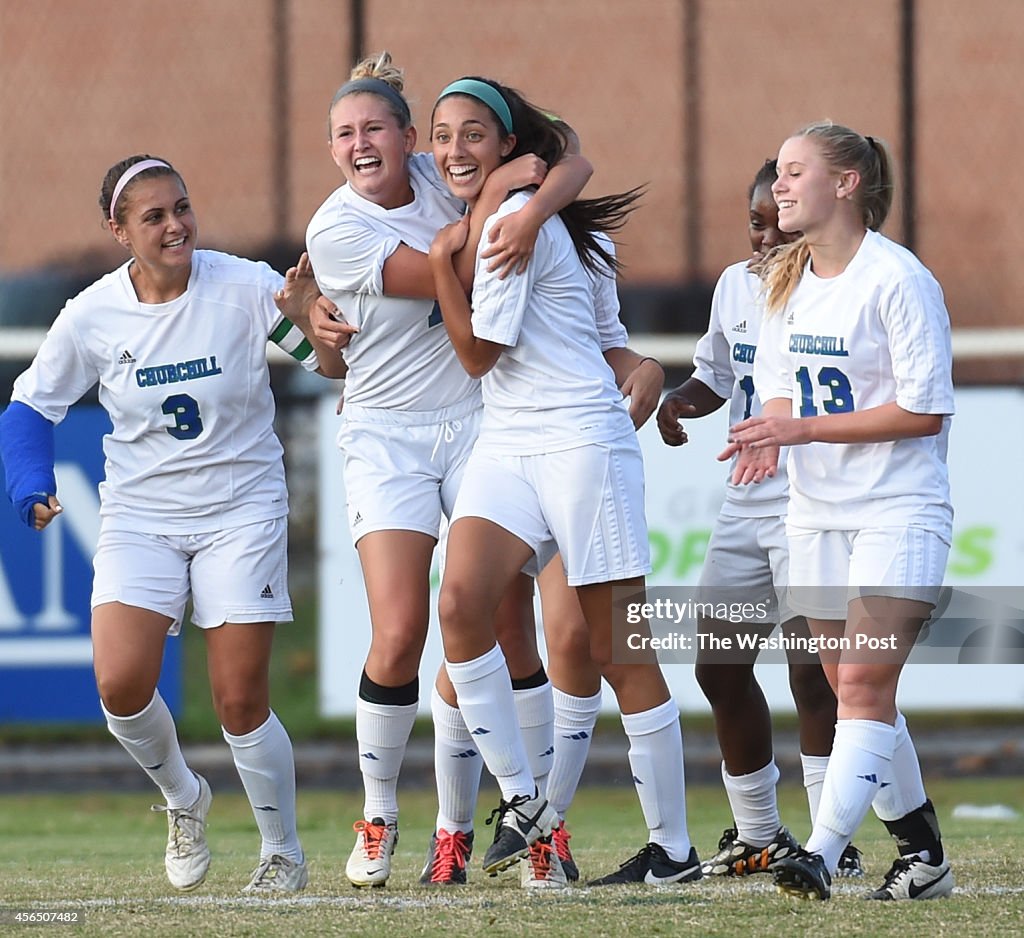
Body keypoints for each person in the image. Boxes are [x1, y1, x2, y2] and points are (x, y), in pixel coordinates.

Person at [0, 155, 343, 893]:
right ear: (119, 230)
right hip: (142, 515)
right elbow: (29, 408)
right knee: (120, 683)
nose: (175, 225)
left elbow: (325, 364)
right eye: (153, 216)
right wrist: (29, 482)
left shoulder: (246, 288)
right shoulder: (93, 314)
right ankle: (184, 798)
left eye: (182, 207)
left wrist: (311, 315)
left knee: (239, 699)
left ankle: (282, 851)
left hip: (241, 508)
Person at [301, 52, 593, 889]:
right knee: (399, 631)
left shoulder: (446, 173)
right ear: (332, 150)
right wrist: (498, 211)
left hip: (478, 424)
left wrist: (530, 204)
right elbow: (449, 274)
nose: (362, 145)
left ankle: (521, 827)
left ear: (406, 138)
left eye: (376, 128)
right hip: (385, 435)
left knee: (502, 626)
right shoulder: (336, 229)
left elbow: (569, 156)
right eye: (344, 135)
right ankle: (380, 810)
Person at [429, 76, 699, 887]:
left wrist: (446, 263)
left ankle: (675, 853)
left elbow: (478, 356)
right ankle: (522, 799)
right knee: (459, 604)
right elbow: (571, 166)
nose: (453, 151)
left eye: (474, 135)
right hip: (510, 441)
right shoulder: (507, 211)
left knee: (617, 644)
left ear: (513, 150)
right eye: (442, 136)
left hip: (581, 437)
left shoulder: (516, 223)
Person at [721, 121, 955, 902]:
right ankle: (924, 857)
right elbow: (784, 393)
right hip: (815, 516)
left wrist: (801, 428)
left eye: (795, 172)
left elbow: (924, 412)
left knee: (859, 685)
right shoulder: (789, 280)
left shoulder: (898, 278)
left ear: (847, 183)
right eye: (779, 173)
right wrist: (770, 437)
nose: (779, 186)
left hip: (898, 511)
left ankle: (818, 851)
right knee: (856, 689)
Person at [656, 159, 863, 879]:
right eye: (755, 221)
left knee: (816, 675)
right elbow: (717, 375)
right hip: (746, 499)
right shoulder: (734, 286)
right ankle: (760, 834)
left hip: (811, 498)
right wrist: (679, 400)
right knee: (717, 665)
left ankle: (834, 839)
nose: (766, 235)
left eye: (781, 220)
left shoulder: (838, 289)